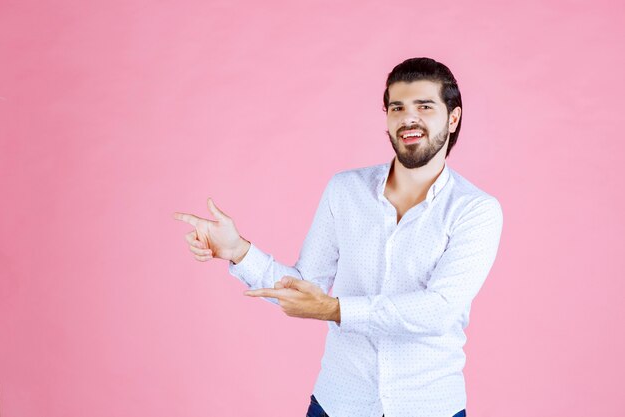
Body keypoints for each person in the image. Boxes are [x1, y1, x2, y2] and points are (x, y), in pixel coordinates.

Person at [173, 57, 503, 417]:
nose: (409, 119)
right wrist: (238, 251)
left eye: (424, 106)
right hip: (338, 403)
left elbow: (438, 310)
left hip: (430, 406)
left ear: (453, 118)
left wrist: (335, 309)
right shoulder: (345, 190)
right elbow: (305, 287)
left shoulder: (476, 210)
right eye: (397, 107)